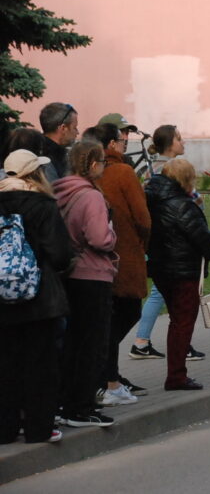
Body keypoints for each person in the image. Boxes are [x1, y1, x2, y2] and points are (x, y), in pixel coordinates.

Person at [0, 150, 73, 444]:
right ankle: (39, 429)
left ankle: (5, 429)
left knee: (5, 367)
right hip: (39, 300)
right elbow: (59, 254)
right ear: (34, 174)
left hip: (1, 302)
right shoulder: (43, 205)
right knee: (40, 367)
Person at [53, 140, 119, 428]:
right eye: (102, 161)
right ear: (93, 164)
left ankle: (66, 401)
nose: (104, 166)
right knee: (93, 344)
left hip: (71, 274)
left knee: (74, 343)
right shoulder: (90, 196)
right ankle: (81, 406)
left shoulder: (62, 191)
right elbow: (99, 238)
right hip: (92, 274)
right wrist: (113, 236)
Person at [92, 122, 152, 406]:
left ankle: (105, 373)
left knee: (110, 318)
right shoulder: (122, 172)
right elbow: (143, 217)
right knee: (123, 314)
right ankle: (107, 377)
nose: (125, 142)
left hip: (97, 256)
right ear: (111, 144)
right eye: (121, 139)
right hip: (123, 252)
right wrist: (144, 242)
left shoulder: (89, 172)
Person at [145, 158, 210, 391]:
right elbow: (203, 238)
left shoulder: (153, 199)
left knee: (177, 321)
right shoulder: (181, 205)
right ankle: (176, 375)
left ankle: (176, 372)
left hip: (160, 267)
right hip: (183, 269)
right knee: (183, 322)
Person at [131, 124, 201, 361]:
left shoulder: (154, 168)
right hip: (171, 242)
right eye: (180, 139)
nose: (184, 143)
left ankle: (147, 342)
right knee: (166, 295)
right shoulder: (169, 169)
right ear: (171, 143)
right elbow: (190, 200)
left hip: (160, 239)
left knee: (162, 294)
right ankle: (146, 341)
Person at [38, 102, 78, 182]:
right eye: (75, 127)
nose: (77, 132)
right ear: (63, 128)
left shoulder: (41, 148)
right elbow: (54, 192)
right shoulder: (45, 161)